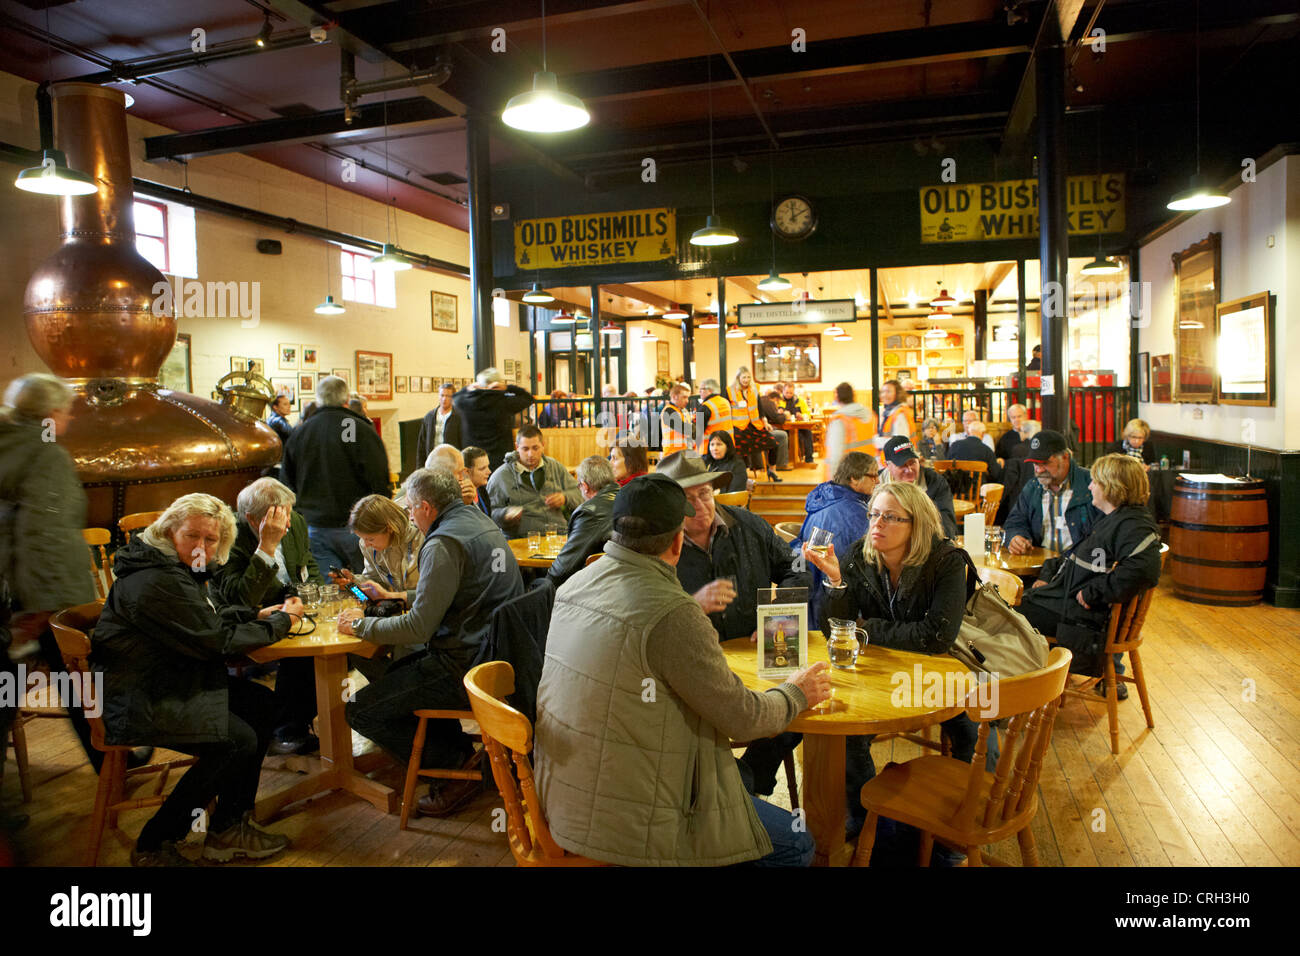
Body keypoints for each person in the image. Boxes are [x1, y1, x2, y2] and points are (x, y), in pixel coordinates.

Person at [534, 473, 830, 866]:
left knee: (738, 778)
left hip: (558, 797)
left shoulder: (574, 585)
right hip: (629, 820)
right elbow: (744, 720)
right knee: (798, 845)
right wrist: (797, 692)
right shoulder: (672, 612)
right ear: (677, 542)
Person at [92, 494, 301, 866]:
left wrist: (255, 613)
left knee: (262, 704)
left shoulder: (170, 567)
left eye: (211, 540)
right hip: (137, 699)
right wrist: (281, 622)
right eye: (192, 536)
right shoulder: (155, 579)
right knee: (237, 741)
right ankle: (154, 843)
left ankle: (228, 828)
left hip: (169, 679)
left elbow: (204, 620)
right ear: (169, 530)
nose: (201, 547)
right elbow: (216, 641)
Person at [802, 481, 985, 844]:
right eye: (874, 514)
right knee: (850, 734)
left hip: (935, 673)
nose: (876, 524)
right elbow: (834, 629)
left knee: (974, 734)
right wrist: (836, 580)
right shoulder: (858, 556)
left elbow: (936, 637)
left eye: (890, 517)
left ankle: (960, 827)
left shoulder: (947, 560)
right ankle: (867, 821)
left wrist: (869, 630)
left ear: (916, 525)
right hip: (879, 674)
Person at [340, 468, 523, 817]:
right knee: (394, 674)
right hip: (496, 657)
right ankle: (460, 758)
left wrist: (361, 627)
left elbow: (419, 628)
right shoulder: (479, 522)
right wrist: (399, 595)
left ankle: (457, 767)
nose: (409, 515)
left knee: (359, 709)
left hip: (465, 668)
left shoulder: (441, 542)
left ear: (425, 507)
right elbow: (449, 595)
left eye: (410, 508)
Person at [659, 450, 811, 795]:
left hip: (755, 657)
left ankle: (745, 785)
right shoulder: (658, 546)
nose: (700, 505)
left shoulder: (747, 524)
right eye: (687, 499)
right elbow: (641, 614)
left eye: (705, 493)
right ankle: (725, 792)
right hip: (694, 668)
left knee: (803, 702)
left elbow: (795, 568)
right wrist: (692, 606)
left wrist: (779, 618)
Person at [0, 373, 102, 771]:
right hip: (43, 595)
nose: (69, 419)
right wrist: (51, 608)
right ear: (48, 414)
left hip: (12, 591)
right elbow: (46, 533)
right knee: (77, 677)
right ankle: (109, 755)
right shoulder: (45, 454)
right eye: (65, 411)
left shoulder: (9, 444)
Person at [1019, 454, 1161, 701]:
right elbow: (1072, 555)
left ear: (1112, 487)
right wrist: (1048, 574)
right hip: (1068, 604)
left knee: (1007, 616)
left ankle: (1022, 696)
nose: (1090, 486)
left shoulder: (1134, 524)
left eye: (1095, 481)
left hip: (1082, 617)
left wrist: (1092, 593)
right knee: (1006, 607)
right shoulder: (1114, 519)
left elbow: (1144, 569)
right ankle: (1028, 690)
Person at [213, 478, 323, 756]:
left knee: (327, 644)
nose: (285, 524)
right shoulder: (229, 537)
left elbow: (306, 563)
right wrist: (267, 546)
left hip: (292, 604)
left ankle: (299, 722)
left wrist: (315, 595)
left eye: (286, 514)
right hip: (248, 615)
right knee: (303, 653)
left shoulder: (295, 521)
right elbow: (240, 598)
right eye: (276, 518)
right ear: (251, 518)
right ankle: (286, 729)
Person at [281, 375, 391, 574]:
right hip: (358, 528)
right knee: (367, 586)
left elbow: (287, 484)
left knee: (332, 591)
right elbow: (378, 478)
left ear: (318, 399)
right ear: (346, 399)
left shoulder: (301, 433)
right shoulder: (358, 429)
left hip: (315, 527)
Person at [1003, 429, 1098, 556]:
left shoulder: (1091, 485)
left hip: (1080, 568)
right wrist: (1016, 537)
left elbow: (1103, 535)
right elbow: (1015, 522)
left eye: (1045, 463)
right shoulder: (1032, 487)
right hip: (1040, 566)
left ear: (1065, 457)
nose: (1039, 470)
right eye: (1035, 464)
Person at [792, 452, 878, 592]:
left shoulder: (825, 501)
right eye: (873, 476)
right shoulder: (856, 513)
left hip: (813, 591)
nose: (878, 481)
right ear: (854, 478)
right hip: (835, 592)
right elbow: (866, 565)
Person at [485, 424, 581, 539]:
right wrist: (505, 514)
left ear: (543, 445)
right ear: (517, 447)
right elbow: (488, 513)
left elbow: (580, 493)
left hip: (557, 535)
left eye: (535, 448)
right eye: (525, 449)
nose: (530, 454)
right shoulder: (500, 476)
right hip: (520, 538)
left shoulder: (555, 467)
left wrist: (565, 497)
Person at [546, 455, 620, 588]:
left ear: (585, 486)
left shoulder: (590, 512)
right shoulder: (627, 498)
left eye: (579, 485)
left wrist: (542, 587)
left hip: (592, 589)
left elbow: (563, 568)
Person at [453, 367, 536, 470]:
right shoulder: (504, 402)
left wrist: (468, 388)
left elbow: (455, 397)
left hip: (473, 458)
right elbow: (528, 398)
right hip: (500, 459)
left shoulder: (467, 402)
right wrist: (507, 387)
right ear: (496, 384)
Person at [880, 436, 958, 539]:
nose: (909, 470)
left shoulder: (935, 482)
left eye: (912, 462)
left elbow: (947, 526)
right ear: (887, 465)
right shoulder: (876, 484)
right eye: (902, 465)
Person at [727, 367, 780, 482]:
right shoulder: (729, 390)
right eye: (744, 377)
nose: (746, 380)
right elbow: (726, 409)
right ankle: (742, 475)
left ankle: (772, 471)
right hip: (738, 427)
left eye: (748, 377)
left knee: (774, 444)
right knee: (739, 450)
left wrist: (765, 421)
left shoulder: (754, 389)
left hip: (755, 425)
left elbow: (759, 407)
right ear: (738, 378)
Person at [824, 381, 876, 480]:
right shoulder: (869, 415)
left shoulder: (840, 420)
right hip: (869, 471)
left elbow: (835, 456)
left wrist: (832, 482)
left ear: (837, 397)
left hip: (849, 476)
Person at [947, 420, 1004, 497]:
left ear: (969, 432)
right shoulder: (986, 450)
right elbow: (996, 474)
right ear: (983, 434)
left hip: (955, 492)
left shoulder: (954, 445)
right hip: (976, 494)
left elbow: (947, 466)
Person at [415, 383, 462, 466]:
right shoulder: (429, 416)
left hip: (451, 463)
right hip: (432, 461)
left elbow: (463, 443)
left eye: (448, 396)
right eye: (442, 395)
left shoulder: (459, 417)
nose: (444, 399)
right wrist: (420, 467)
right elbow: (421, 444)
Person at [873, 379, 916, 462]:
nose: (884, 395)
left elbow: (901, 441)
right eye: (883, 392)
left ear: (897, 394)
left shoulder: (900, 414)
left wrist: (877, 441)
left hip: (898, 462)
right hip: (891, 460)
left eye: (888, 391)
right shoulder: (888, 412)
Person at [695, 378, 735, 454]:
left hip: (710, 449)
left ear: (710, 390)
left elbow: (697, 432)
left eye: (701, 389)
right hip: (727, 446)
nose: (699, 392)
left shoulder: (704, 407)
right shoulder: (725, 402)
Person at [780, 382, 815, 464]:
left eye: (791, 393)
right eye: (786, 392)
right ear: (783, 391)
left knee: (808, 433)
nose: (788, 394)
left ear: (794, 392)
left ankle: (809, 459)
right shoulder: (779, 401)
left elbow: (808, 414)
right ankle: (787, 460)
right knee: (786, 436)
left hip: (798, 426)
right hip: (784, 427)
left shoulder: (800, 401)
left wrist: (802, 415)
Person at [758, 388, 792, 473]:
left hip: (759, 429)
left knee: (778, 431)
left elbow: (773, 416)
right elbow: (777, 419)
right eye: (777, 402)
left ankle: (771, 463)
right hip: (760, 432)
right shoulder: (769, 403)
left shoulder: (763, 400)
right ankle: (781, 464)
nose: (777, 405)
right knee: (783, 435)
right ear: (775, 399)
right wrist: (785, 415)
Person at [659, 382, 695, 456]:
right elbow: (685, 429)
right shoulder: (668, 411)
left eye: (688, 397)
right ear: (674, 397)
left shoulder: (684, 411)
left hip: (683, 453)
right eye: (684, 397)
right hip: (672, 454)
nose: (687, 401)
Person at [462, 446, 493, 515]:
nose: (489, 471)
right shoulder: (461, 499)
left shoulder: (482, 491)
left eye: (488, 466)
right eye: (482, 469)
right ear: (466, 472)